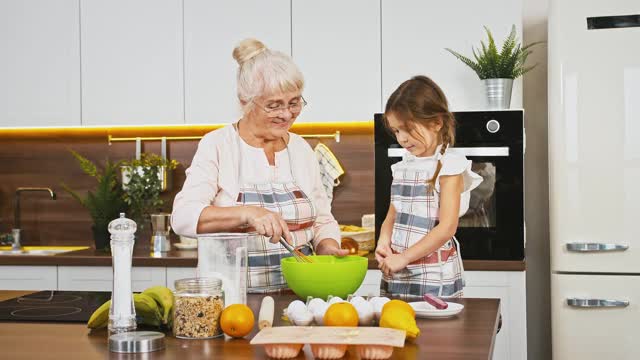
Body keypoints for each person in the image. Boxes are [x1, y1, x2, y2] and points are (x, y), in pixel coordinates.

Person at [171, 38, 347, 294]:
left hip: (297, 297)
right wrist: (248, 213)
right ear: (245, 101)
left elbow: (321, 219)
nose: (287, 114)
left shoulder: (301, 150)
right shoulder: (219, 145)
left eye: (294, 102)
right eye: (274, 105)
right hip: (231, 301)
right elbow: (183, 217)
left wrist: (327, 246)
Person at [375, 75, 482, 299]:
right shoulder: (404, 166)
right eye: (396, 131)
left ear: (436, 122)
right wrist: (384, 242)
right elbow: (392, 217)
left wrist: (404, 257)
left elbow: (446, 228)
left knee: (434, 334)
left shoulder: (449, 166)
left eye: (407, 129)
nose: (402, 138)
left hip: (432, 276)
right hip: (397, 271)